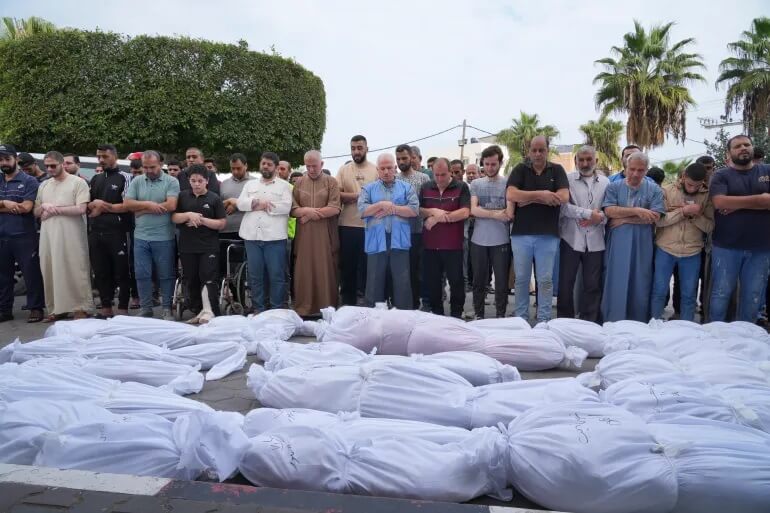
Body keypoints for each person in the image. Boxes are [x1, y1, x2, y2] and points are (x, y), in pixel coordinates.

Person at [507, 136, 569, 323]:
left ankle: (544, 320)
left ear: (547, 150)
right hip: (521, 234)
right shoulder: (520, 169)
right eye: (534, 150)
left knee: (545, 281)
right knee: (522, 280)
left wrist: (527, 199)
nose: (537, 154)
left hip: (548, 234)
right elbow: (511, 194)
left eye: (541, 150)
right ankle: (521, 320)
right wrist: (542, 195)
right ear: (529, 150)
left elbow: (563, 196)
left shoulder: (557, 170)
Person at [708, 135, 770, 322]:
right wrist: (761, 200)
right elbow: (719, 202)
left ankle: (747, 336)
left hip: (761, 247)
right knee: (720, 294)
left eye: (747, 144)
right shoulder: (721, 175)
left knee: (753, 296)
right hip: (726, 246)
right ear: (729, 153)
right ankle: (715, 334)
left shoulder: (767, 170)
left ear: (752, 148)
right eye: (737, 146)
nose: (743, 148)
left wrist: (736, 204)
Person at [601, 151, 665, 322]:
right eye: (632, 169)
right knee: (616, 278)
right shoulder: (614, 187)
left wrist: (624, 219)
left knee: (641, 280)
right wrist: (638, 211)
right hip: (618, 242)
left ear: (646, 170)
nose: (635, 174)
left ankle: (638, 321)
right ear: (626, 167)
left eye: (641, 170)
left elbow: (655, 216)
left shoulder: (654, 189)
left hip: (642, 242)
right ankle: (613, 319)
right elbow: (609, 210)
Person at [35, 151, 94, 321]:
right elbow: (36, 211)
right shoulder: (44, 185)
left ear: (62, 164)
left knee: (74, 268)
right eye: (46, 166)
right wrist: (44, 206)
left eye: (53, 166)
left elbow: (81, 209)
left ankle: (80, 308)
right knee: (50, 268)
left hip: (72, 235)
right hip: (48, 235)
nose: (50, 169)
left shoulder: (78, 183)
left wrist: (54, 210)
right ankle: (56, 309)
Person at [650, 162, 713, 322]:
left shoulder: (707, 195)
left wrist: (696, 215)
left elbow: (710, 226)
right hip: (665, 249)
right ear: (684, 177)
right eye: (690, 184)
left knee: (689, 294)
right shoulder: (666, 191)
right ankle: (653, 326)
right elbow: (659, 221)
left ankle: (686, 330)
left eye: (697, 186)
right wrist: (683, 212)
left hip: (692, 252)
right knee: (659, 291)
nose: (692, 189)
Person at [124, 150, 180, 320]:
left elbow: (171, 205)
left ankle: (166, 309)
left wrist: (140, 210)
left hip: (164, 237)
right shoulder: (137, 180)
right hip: (141, 237)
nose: (148, 170)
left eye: (152, 167)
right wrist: (148, 205)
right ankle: (146, 307)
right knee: (141, 274)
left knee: (166, 275)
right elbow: (127, 204)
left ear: (161, 164)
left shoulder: (171, 181)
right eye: (145, 167)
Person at [358, 153, 419, 309]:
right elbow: (362, 210)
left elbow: (413, 210)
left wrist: (392, 209)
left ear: (395, 168)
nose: (386, 171)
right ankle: (373, 318)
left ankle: (404, 318)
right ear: (377, 170)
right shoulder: (368, 188)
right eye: (382, 168)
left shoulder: (407, 187)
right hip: (376, 240)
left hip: (399, 240)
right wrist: (381, 205)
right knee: (374, 281)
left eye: (389, 168)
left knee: (402, 281)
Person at [557, 145, 609, 323]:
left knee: (593, 286)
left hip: (595, 241)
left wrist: (599, 217)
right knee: (565, 285)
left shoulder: (605, 182)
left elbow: (608, 210)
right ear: (575, 161)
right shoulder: (567, 180)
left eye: (589, 159)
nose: (585, 163)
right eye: (581, 160)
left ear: (596, 161)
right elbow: (563, 207)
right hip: (571, 239)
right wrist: (588, 214)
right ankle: (565, 323)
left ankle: (590, 323)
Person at [237, 151, 292, 312]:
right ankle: (258, 309)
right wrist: (256, 202)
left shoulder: (285, 186)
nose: (265, 166)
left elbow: (286, 207)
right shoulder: (250, 185)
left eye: (269, 164)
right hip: (251, 236)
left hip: (274, 238)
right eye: (263, 163)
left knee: (276, 276)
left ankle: (276, 310)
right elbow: (240, 204)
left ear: (276, 167)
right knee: (255, 276)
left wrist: (264, 205)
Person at [172, 164, 226, 323]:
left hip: (208, 245)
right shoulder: (182, 196)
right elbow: (174, 217)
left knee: (208, 277)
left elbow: (222, 223)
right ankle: (198, 311)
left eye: (200, 181)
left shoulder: (214, 198)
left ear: (207, 181)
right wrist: (189, 215)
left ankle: (210, 311)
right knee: (192, 279)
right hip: (187, 245)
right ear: (189, 180)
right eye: (193, 181)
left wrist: (201, 220)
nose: (196, 184)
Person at [291, 150, 342, 317]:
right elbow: (293, 209)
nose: (311, 169)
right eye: (308, 166)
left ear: (322, 164)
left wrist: (309, 215)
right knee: (304, 270)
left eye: (314, 166)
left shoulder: (331, 182)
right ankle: (304, 308)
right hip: (304, 235)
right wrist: (305, 211)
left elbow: (334, 208)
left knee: (325, 270)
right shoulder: (298, 183)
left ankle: (326, 308)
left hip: (325, 235)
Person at [420, 158, 471, 318]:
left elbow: (464, 212)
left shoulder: (461, 187)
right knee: (433, 284)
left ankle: (456, 316)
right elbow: (418, 210)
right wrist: (433, 211)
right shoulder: (425, 187)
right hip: (430, 245)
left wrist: (437, 218)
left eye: (443, 175)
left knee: (456, 283)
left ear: (450, 172)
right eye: (436, 175)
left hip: (453, 245)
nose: (440, 179)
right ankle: (437, 316)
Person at [0, 144, 45, 323]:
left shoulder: (29, 181)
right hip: (2, 236)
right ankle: (4, 310)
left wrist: (6, 206)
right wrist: (6, 203)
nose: (3, 163)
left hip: (24, 235)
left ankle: (36, 308)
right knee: (3, 276)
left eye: (7, 159)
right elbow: (16, 206)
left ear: (15, 159)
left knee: (31, 274)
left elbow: (26, 207)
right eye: (0, 160)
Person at [87, 144, 133, 318]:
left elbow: (127, 206)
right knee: (100, 271)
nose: (101, 160)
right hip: (96, 231)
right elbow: (89, 204)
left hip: (118, 231)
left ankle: (123, 309)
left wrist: (103, 206)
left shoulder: (125, 177)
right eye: (99, 157)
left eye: (105, 157)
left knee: (121, 271)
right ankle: (106, 308)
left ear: (114, 156)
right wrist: (94, 206)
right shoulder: (96, 179)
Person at [470, 145, 513, 319]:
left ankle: (500, 316)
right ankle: (479, 315)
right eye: (486, 164)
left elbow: (509, 214)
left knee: (501, 282)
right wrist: (497, 214)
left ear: (500, 163)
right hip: (478, 240)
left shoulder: (508, 183)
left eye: (493, 164)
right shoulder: (475, 183)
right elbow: (473, 210)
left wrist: (485, 212)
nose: (489, 168)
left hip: (501, 240)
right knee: (478, 281)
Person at [337, 135, 378, 306]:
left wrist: (360, 198)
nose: (356, 151)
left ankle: (366, 303)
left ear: (367, 148)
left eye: (360, 148)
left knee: (368, 267)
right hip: (347, 225)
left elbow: (379, 196)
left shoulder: (376, 170)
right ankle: (347, 303)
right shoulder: (344, 170)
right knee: (348, 267)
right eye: (353, 148)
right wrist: (358, 196)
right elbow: (337, 194)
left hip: (370, 225)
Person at [396, 143, 431, 308]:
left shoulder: (423, 178)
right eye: (398, 159)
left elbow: (426, 205)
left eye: (404, 158)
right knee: (400, 271)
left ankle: (418, 304)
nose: (401, 161)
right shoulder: (393, 179)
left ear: (412, 158)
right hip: (398, 233)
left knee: (417, 271)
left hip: (417, 232)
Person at [220, 153, 253, 240]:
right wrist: (228, 202)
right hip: (225, 231)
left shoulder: (255, 183)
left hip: (248, 231)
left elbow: (257, 204)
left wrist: (236, 204)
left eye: (238, 168)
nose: (235, 171)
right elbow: (218, 206)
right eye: (233, 168)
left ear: (246, 166)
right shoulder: (224, 184)